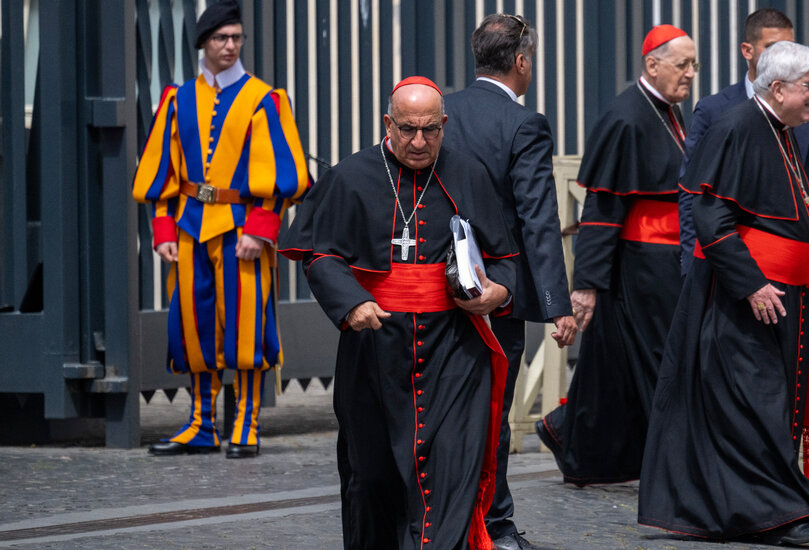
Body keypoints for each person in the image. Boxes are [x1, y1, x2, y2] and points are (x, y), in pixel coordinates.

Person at [279, 77, 519, 550]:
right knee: (371, 474)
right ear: (387, 124)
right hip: (374, 345)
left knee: (453, 465)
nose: (418, 142)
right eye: (407, 129)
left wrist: (499, 292)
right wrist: (352, 302)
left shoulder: (469, 174)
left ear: (444, 125)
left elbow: (507, 258)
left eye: (430, 130)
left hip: (454, 347)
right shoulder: (351, 176)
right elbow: (320, 255)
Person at [638, 41, 809, 545]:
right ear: (778, 88)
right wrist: (751, 283)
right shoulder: (736, 126)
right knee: (756, 404)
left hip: (778, 296)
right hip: (744, 298)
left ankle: (747, 510)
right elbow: (711, 216)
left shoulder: (778, 127)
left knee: (763, 404)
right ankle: (777, 515)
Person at [133, 0, 309, 459]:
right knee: (194, 326)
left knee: (247, 327)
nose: (230, 46)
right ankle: (202, 423)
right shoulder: (177, 99)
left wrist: (261, 227)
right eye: (221, 38)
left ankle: (246, 423)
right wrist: (163, 229)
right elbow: (161, 171)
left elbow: (283, 174)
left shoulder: (264, 99)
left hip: (241, 230)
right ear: (204, 44)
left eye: (236, 38)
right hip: (190, 226)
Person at [534, 25, 695, 486]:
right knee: (663, 363)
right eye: (682, 64)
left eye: (693, 64)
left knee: (612, 367)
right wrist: (586, 283)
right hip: (642, 264)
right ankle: (676, 474)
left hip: (664, 260)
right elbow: (603, 207)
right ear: (652, 64)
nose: (690, 74)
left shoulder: (668, 111)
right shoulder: (626, 117)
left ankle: (571, 437)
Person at [442, 14, 577, 550]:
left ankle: (443, 518)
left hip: (434, 286)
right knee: (493, 412)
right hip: (497, 293)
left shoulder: (441, 110)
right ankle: (493, 526)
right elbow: (538, 219)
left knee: (444, 407)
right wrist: (554, 303)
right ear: (521, 62)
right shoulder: (525, 124)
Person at [678, 7, 809, 290]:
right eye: (773, 47)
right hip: (736, 267)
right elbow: (694, 197)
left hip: (798, 266)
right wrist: (692, 267)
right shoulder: (716, 111)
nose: (782, 56)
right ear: (747, 50)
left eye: (789, 47)